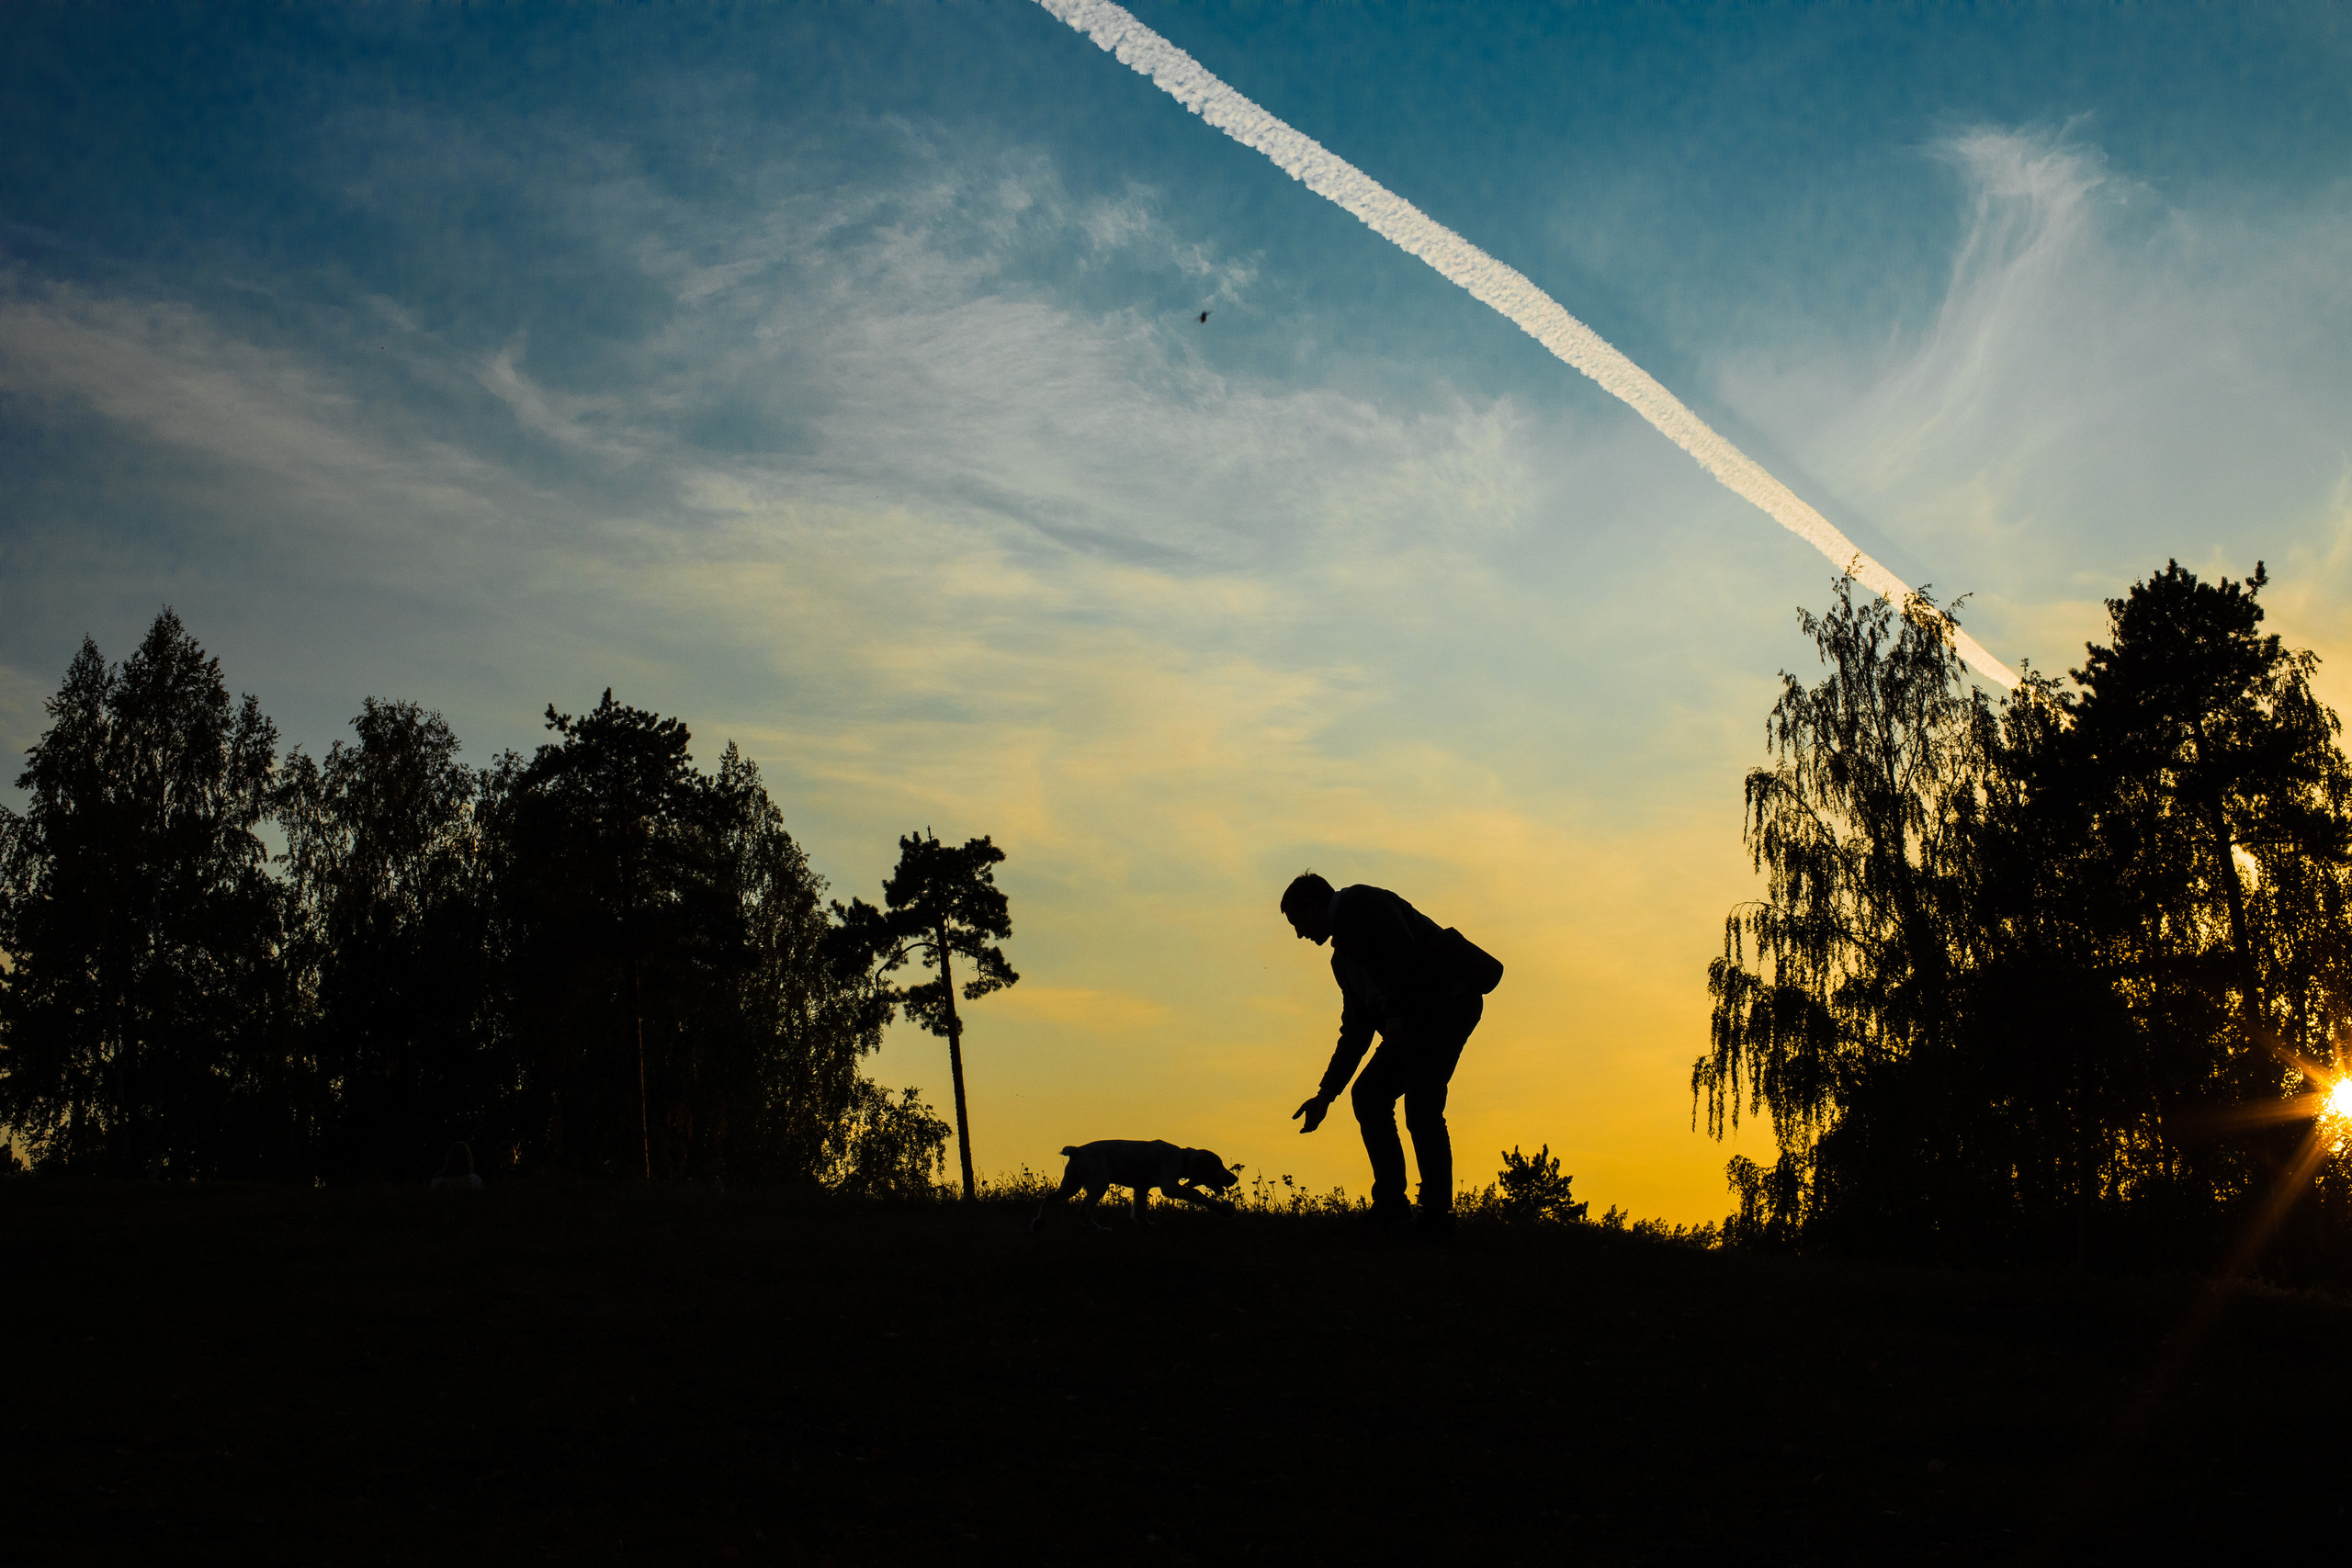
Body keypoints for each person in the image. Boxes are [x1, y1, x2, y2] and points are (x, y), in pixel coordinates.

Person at [1282, 872, 1496, 1238]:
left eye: (1297, 922)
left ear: (1313, 906)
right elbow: (1356, 1029)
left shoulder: (1363, 902)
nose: (1300, 934)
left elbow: (1402, 953)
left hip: (1448, 1006)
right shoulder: (1342, 961)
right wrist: (1326, 1094)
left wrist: (1395, 1015)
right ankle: (1392, 1206)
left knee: (1423, 1105)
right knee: (1369, 1095)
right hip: (1413, 1022)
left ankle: (1436, 1215)